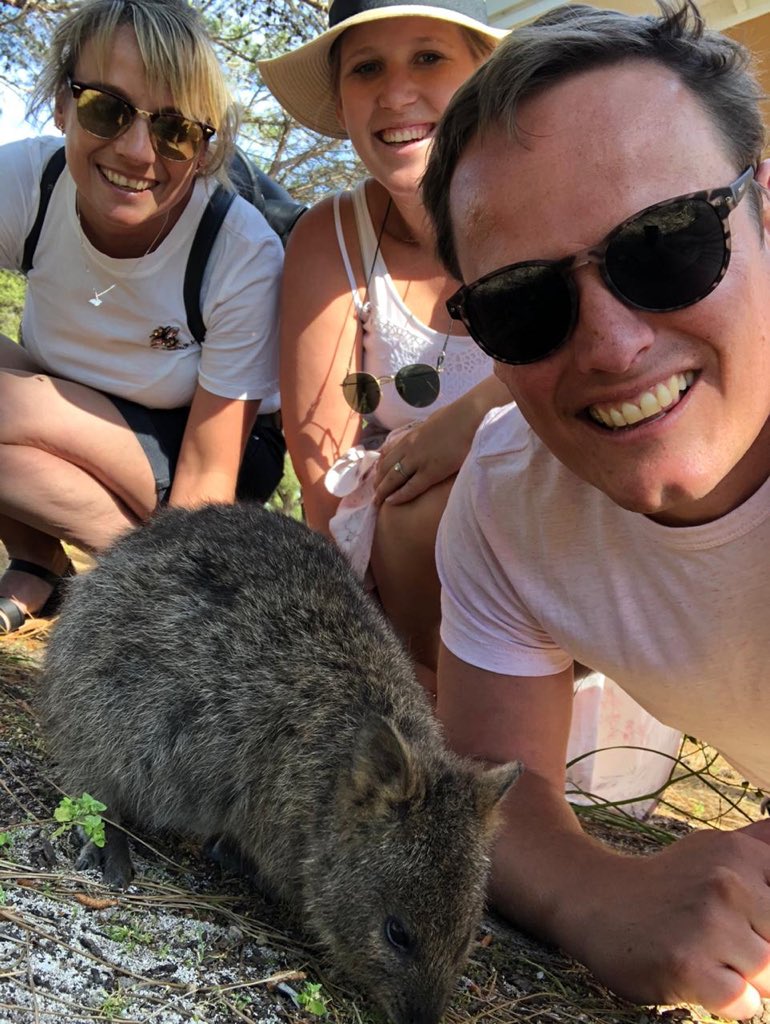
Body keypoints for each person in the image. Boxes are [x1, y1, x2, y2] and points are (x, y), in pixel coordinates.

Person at [421, 1, 770, 1017]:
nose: (612, 345)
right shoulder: (504, 498)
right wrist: (596, 895)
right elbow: (491, 781)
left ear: (760, 207)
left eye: (663, 244)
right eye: (523, 301)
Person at [261, 0, 682, 812]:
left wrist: (474, 414)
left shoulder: (549, 208)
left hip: (558, 522)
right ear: (342, 99)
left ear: (478, 77)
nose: (396, 95)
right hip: (403, 563)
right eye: (368, 68)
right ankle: (447, 729)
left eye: (428, 59)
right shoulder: (330, 237)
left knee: (491, 485)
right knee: (432, 509)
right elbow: (320, 476)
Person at [0, 0, 285, 634]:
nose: (136, 152)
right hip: (74, 403)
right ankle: (39, 563)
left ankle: (165, 586)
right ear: (63, 104)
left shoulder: (238, 251)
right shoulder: (26, 182)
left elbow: (211, 471)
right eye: (107, 107)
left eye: (175, 130)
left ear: (207, 149)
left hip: (210, 443)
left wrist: (165, 619)